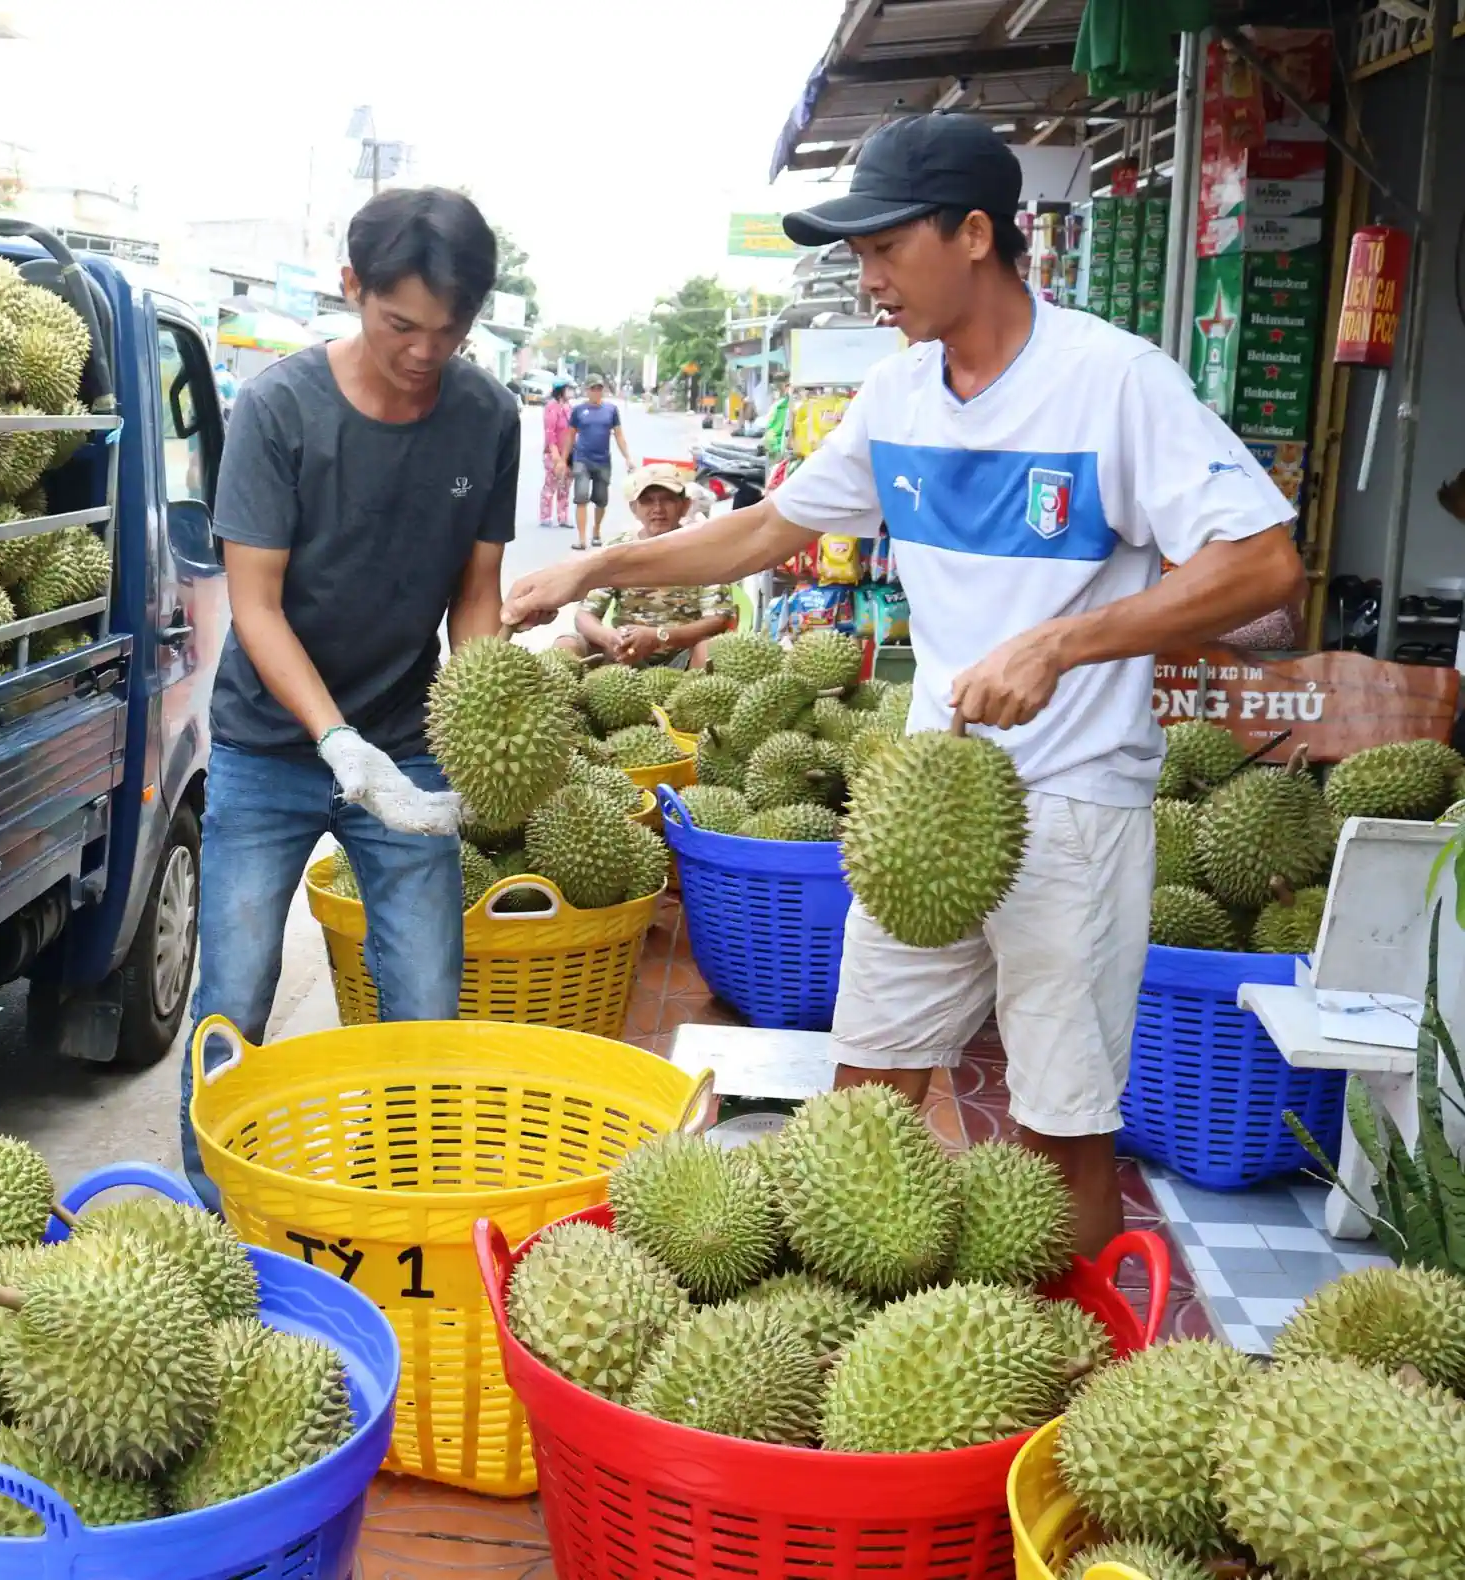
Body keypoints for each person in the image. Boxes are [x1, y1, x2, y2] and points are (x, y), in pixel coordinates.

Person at [501, 113, 1306, 1256]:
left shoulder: (1113, 383)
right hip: (923, 794)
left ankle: (1057, 1384)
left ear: (975, 233)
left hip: (1073, 803)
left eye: (884, 248)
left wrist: (1063, 645)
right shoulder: (897, 399)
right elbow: (770, 527)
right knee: (864, 1095)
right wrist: (597, 563)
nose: (867, 278)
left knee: (1061, 1125)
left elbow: (1263, 562)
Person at [187, 185, 516, 1206]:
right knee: (233, 993)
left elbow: (477, 599)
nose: (425, 349)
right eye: (400, 323)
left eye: (449, 329)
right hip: (267, 744)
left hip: (408, 737)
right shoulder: (278, 409)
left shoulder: (487, 417)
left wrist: (488, 721)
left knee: (423, 998)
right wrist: (333, 739)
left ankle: (401, 1206)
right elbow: (256, 607)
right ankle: (209, 1210)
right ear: (351, 290)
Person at [557, 463, 736, 668]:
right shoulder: (619, 550)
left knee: (708, 649)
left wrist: (660, 637)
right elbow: (585, 614)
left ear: (685, 505)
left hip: (683, 655)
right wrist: (609, 638)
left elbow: (717, 619)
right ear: (634, 509)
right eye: (647, 501)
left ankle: (696, 697)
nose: (657, 509)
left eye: (667, 499)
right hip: (623, 655)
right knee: (567, 644)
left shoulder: (703, 549)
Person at [566, 375, 631, 551]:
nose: (596, 392)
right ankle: (581, 539)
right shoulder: (579, 410)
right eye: (593, 388)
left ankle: (596, 531)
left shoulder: (611, 410)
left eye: (599, 388)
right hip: (582, 460)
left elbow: (618, 434)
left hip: (602, 460)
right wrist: (564, 459)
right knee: (581, 497)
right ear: (587, 390)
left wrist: (628, 458)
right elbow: (570, 435)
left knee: (601, 500)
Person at [538, 377, 574, 529]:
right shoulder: (551, 408)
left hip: (569, 453)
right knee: (551, 484)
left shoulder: (569, 407)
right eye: (568, 388)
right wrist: (556, 457)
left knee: (565, 486)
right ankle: (545, 516)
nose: (571, 391)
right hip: (554, 453)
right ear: (561, 390)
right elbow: (550, 434)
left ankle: (563, 517)